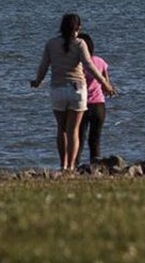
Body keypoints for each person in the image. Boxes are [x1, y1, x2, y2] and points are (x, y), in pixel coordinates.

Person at [30, 14, 115, 172]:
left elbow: (43, 66)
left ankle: (63, 164)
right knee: (73, 131)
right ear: (77, 27)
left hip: (57, 89)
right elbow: (89, 65)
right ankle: (70, 167)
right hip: (77, 89)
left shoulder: (51, 44)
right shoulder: (80, 43)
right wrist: (105, 83)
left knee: (61, 129)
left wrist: (37, 81)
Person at [77, 33, 117, 165]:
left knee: (79, 138)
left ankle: (74, 165)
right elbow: (106, 84)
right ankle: (95, 166)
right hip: (99, 105)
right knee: (95, 139)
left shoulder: (78, 65)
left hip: (82, 104)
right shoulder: (100, 62)